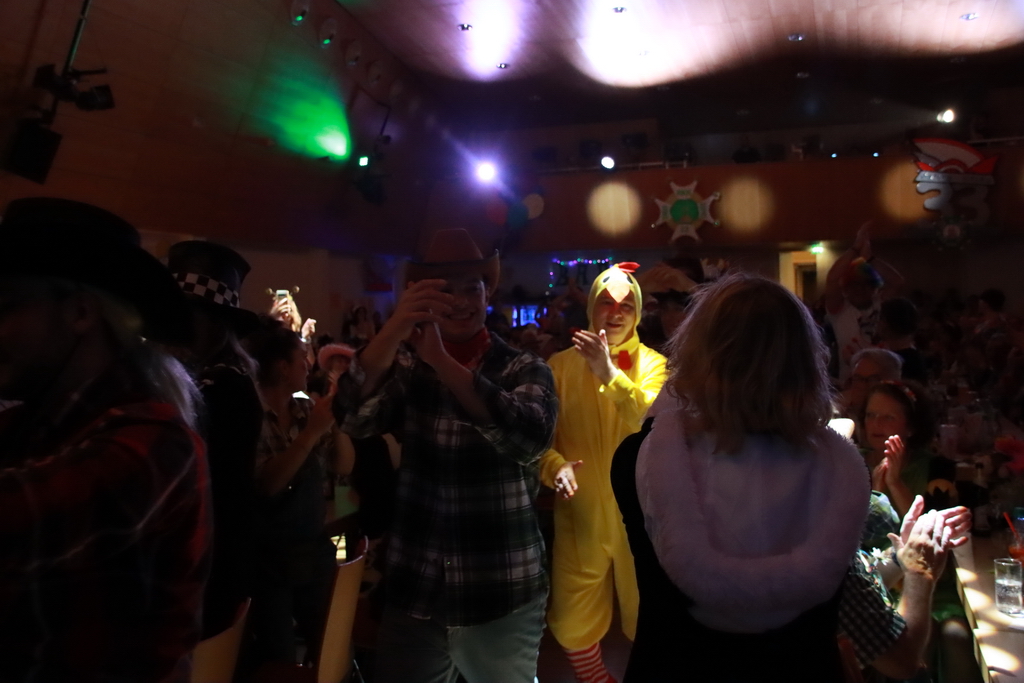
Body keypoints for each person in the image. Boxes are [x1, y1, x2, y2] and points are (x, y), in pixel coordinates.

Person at [611, 273, 872, 681]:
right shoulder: (842, 468)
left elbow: (664, 414)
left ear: (698, 353)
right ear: (804, 360)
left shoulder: (640, 458)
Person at [0, 198, 210, 681]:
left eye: (4, 306)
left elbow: (17, 520)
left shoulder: (154, 445)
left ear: (79, 312)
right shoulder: (23, 428)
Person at [338, 229, 558, 683]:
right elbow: (353, 417)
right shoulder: (407, 367)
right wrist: (395, 328)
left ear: (487, 293)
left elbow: (528, 438)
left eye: (471, 288)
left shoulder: (523, 367)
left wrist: (441, 360)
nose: (460, 302)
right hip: (417, 586)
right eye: (444, 291)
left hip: (500, 587)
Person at [540, 263, 667, 683]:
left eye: (626, 305)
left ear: (638, 313)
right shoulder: (558, 368)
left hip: (644, 516)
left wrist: (609, 374)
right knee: (571, 615)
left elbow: (651, 422)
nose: (615, 313)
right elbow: (538, 441)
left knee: (651, 612)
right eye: (606, 303)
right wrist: (555, 467)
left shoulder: (655, 365)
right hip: (581, 515)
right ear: (591, 308)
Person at [167, 239, 264, 639]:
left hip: (208, 574)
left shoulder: (220, 388)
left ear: (213, 323)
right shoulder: (217, 380)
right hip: (211, 567)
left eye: (184, 315)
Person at [243, 320, 345, 668]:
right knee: (279, 658)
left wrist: (336, 420)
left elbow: (344, 465)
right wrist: (312, 433)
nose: (309, 364)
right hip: (267, 560)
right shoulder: (251, 416)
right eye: (302, 357)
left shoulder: (304, 409)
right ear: (282, 367)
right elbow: (267, 485)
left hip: (312, 550)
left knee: (329, 648)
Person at [825, 223, 904, 383]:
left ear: (874, 287)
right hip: (851, 383)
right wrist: (855, 249)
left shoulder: (880, 303)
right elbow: (832, 278)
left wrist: (870, 259)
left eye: (866, 284)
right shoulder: (840, 310)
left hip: (884, 382)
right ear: (846, 289)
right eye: (854, 285)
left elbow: (898, 282)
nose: (860, 289)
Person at [878, 297, 928, 383]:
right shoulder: (913, 359)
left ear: (887, 323)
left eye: (881, 319)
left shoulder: (909, 363)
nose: (878, 323)